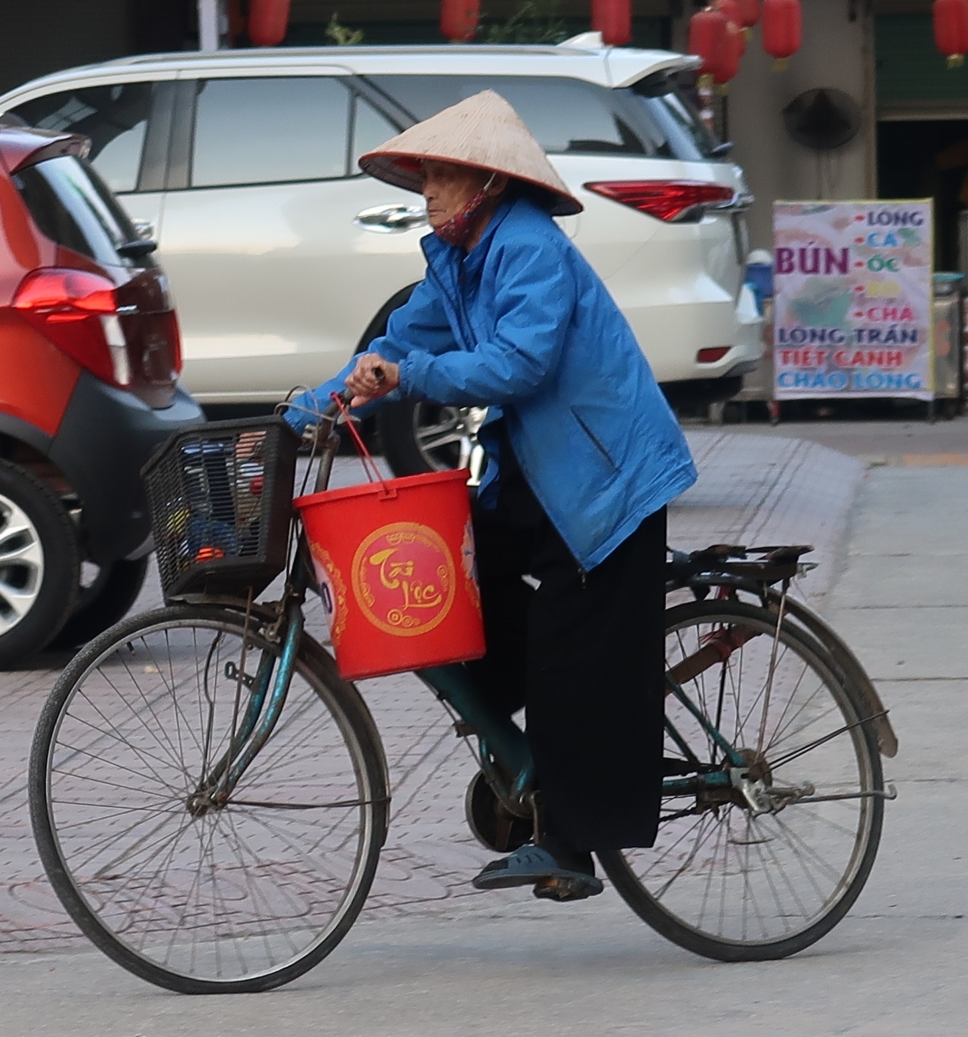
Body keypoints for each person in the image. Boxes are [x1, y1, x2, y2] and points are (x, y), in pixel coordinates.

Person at [284, 91, 697, 901]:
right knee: (458, 579)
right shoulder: (457, 257)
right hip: (537, 474)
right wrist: (311, 406)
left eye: (441, 176)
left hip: (604, 479)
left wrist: (410, 378)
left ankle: (570, 846)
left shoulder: (527, 246)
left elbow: (519, 365)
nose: (426, 191)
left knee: (570, 649)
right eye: (426, 176)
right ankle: (520, 758)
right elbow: (400, 343)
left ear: (487, 185)